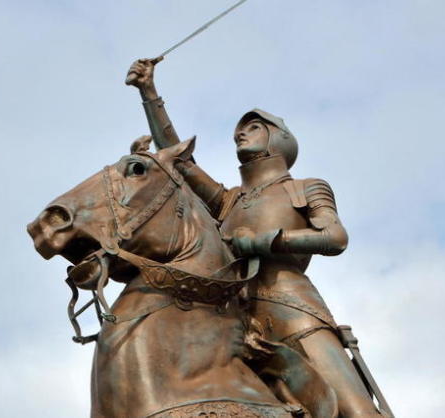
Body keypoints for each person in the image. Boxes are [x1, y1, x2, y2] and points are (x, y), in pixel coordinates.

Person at [126, 58, 383, 418]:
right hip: (231, 320)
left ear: (277, 137)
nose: (240, 134)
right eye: (238, 132)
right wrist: (149, 92)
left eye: (253, 128)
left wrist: (262, 242)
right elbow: (180, 161)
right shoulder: (229, 201)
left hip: (292, 311)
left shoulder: (304, 188)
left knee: (356, 412)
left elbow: (335, 237)